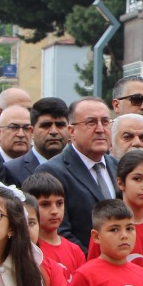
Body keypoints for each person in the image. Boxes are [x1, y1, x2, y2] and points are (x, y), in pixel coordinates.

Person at [33, 97, 116, 253]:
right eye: (91, 122)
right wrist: (96, 265)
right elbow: (58, 231)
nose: (100, 129)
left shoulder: (118, 166)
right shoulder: (52, 172)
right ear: (71, 131)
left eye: (105, 122)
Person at [5, 98, 70, 185]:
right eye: (46, 125)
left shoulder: (79, 168)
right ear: (31, 131)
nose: (54, 131)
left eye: (60, 125)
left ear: (69, 129)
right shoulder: (12, 170)